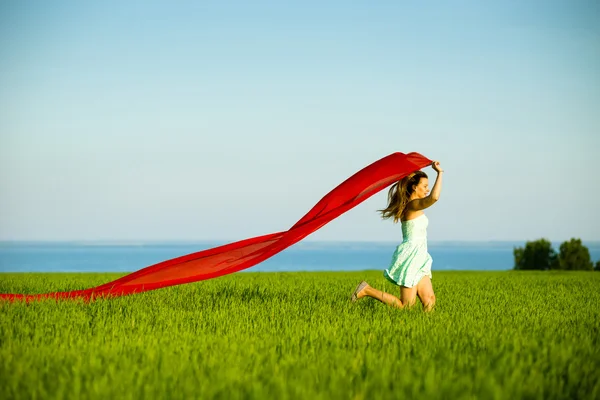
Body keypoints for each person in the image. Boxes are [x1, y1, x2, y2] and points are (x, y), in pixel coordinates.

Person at [350, 161, 444, 312]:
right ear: (415, 187)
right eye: (425, 186)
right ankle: (367, 290)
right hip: (411, 256)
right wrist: (440, 173)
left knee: (430, 300)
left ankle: (425, 331)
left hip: (420, 256)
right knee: (406, 306)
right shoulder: (412, 206)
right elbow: (434, 198)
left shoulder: (415, 205)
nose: (427, 189)